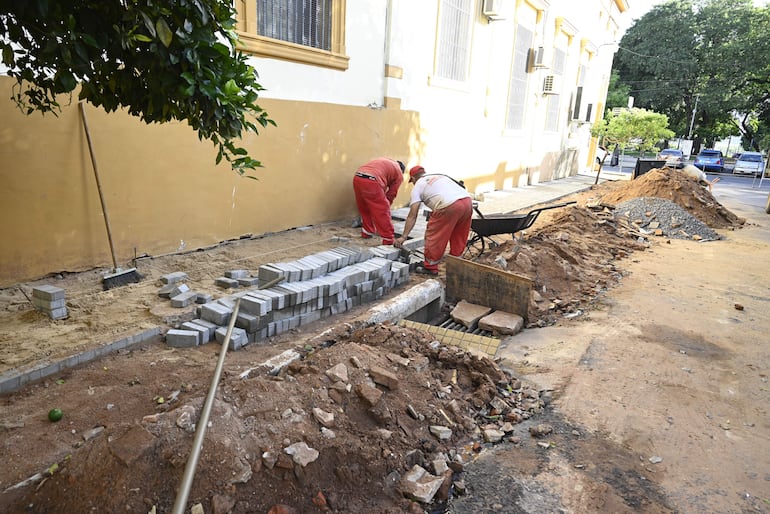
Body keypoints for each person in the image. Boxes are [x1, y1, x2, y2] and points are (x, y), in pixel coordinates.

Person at [394, 165, 472, 275]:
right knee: (459, 234)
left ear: (414, 178)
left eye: (412, 181)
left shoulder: (418, 186)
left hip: (448, 205)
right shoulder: (440, 176)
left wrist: (403, 237)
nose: (413, 184)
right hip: (467, 202)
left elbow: (412, 215)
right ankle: (456, 264)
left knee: (435, 235)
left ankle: (431, 267)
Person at [353, 158, 405, 245]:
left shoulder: (387, 161)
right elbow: (392, 194)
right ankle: (388, 238)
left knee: (364, 207)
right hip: (372, 180)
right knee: (382, 210)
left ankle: (367, 232)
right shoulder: (399, 173)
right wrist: (385, 207)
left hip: (358, 177)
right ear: (402, 170)